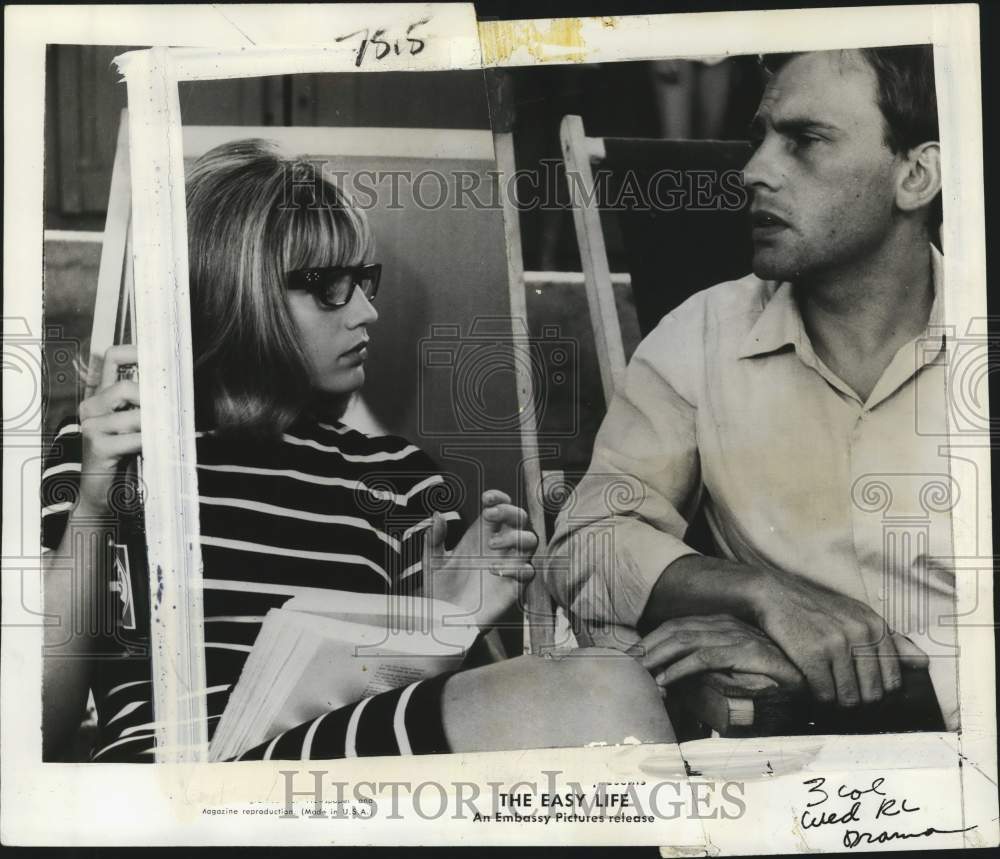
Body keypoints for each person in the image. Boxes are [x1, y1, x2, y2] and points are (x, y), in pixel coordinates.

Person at [41, 139, 674, 762]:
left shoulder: (396, 479)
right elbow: (36, 725)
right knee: (603, 689)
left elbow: (468, 731)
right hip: (173, 787)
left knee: (601, 690)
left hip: (340, 786)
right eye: (327, 288)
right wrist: (93, 504)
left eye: (364, 282)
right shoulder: (114, 452)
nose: (367, 311)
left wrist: (447, 617)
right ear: (233, 292)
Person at [544, 46, 959, 730]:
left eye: (804, 142)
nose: (752, 172)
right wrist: (760, 596)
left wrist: (845, 676)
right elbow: (587, 542)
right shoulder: (701, 336)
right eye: (759, 139)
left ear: (915, 175)